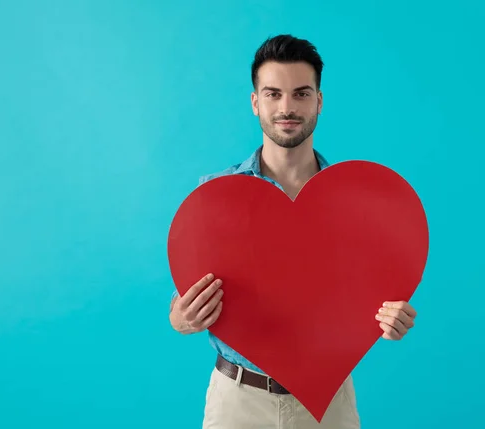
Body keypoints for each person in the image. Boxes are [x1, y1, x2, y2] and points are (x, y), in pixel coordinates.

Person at [169, 34, 418, 429]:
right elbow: (181, 303)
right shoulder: (216, 195)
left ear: (319, 102)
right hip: (238, 402)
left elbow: (370, 291)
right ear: (255, 102)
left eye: (301, 94)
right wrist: (182, 318)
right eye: (273, 94)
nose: (287, 107)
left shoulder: (356, 204)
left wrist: (388, 320)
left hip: (329, 403)